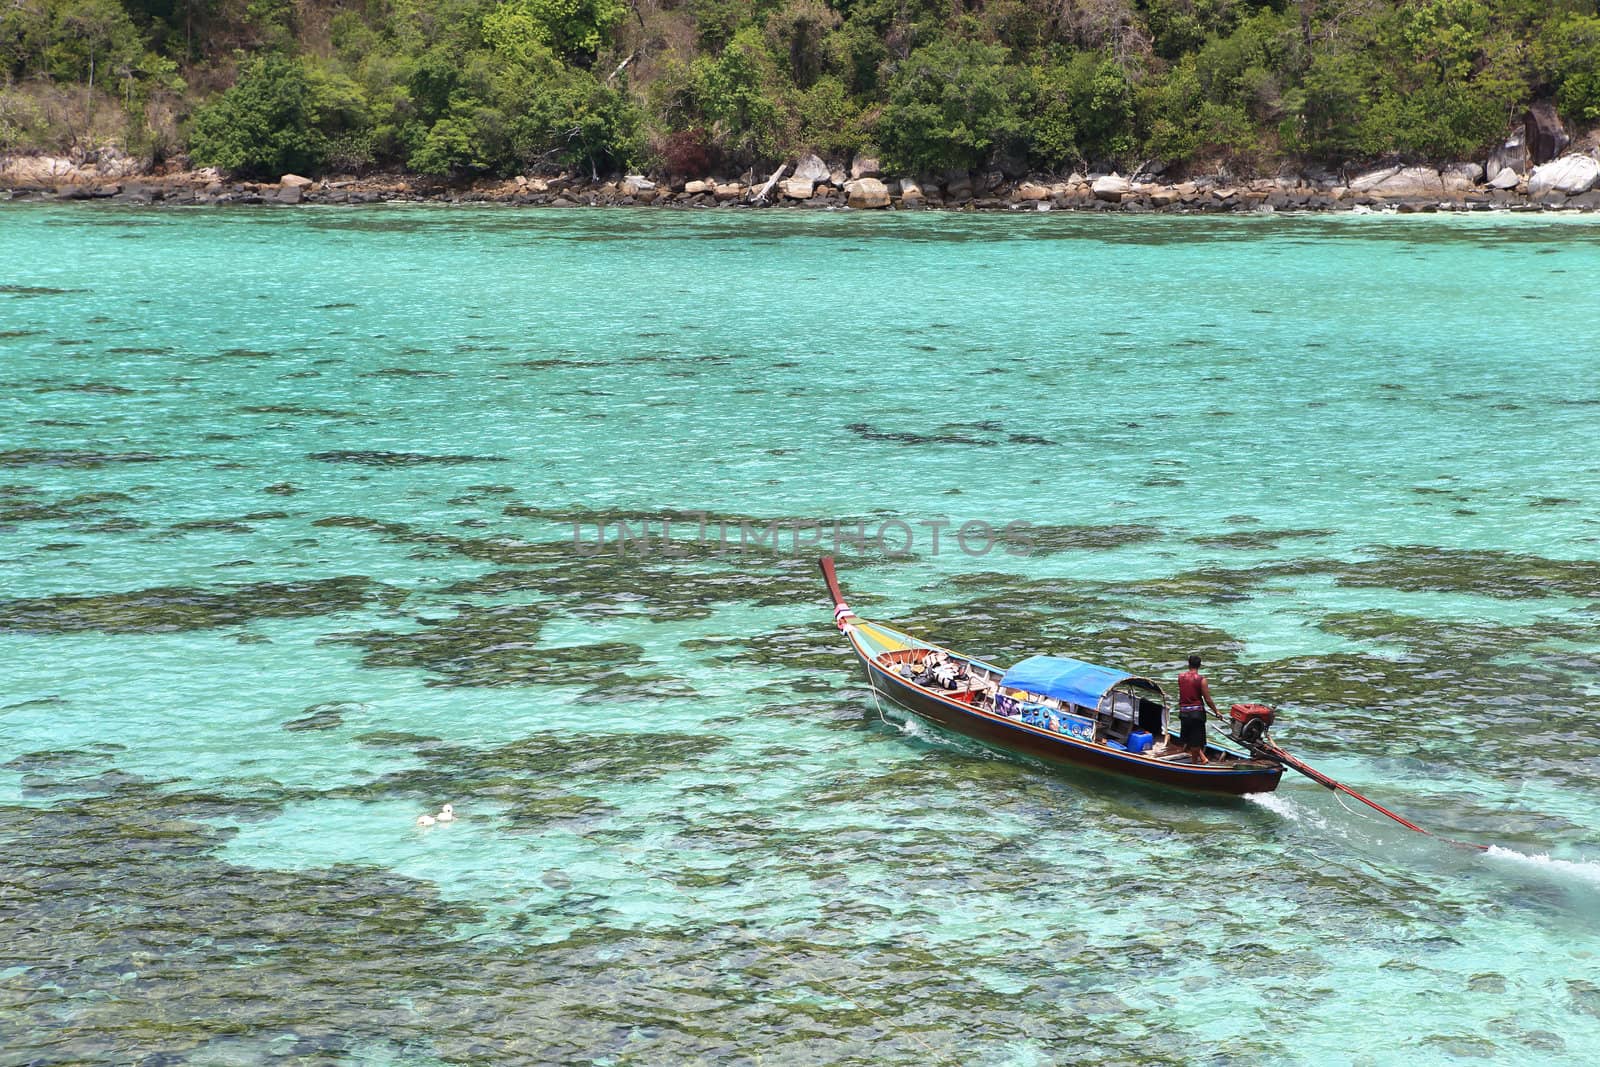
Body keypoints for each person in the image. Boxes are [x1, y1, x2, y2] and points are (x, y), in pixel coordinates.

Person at [1175, 654, 1218, 764]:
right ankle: (1194, 764)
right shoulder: (1202, 680)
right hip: (1196, 714)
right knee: (1196, 742)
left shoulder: (1180, 677)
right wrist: (1216, 711)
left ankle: (1202, 759)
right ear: (1200, 665)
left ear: (1188, 664)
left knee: (1189, 739)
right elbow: (1208, 699)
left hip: (1184, 712)